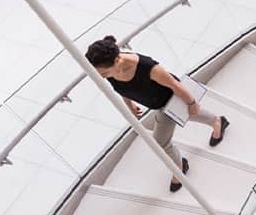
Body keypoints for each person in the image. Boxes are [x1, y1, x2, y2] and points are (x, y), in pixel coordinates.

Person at [84, 36, 230, 193]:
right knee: (188, 114)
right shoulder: (110, 71)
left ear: (117, 61)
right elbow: (120, 88)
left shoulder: (148, 67)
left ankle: (180, 167)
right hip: (157, 103)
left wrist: (191, 103)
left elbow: (175, 85)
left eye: (104, 73)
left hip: (169, 101)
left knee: (161, 141)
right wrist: (130, 105)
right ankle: (217, 121)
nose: (102, 76)